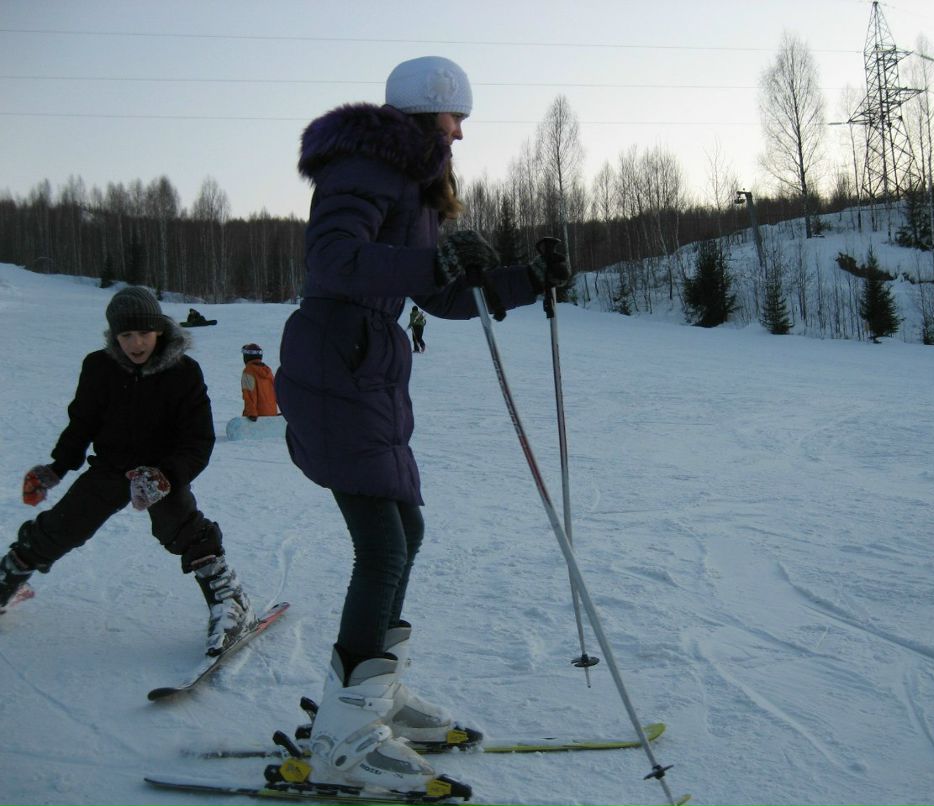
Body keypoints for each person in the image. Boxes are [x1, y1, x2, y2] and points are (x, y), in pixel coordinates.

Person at [275, 56, 570, 797]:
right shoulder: (369, 164)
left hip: (366, 369)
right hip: (337, 363)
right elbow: (335, 259)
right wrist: (431, 261)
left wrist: (523, 284)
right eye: (455, 119)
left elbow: (440, 295)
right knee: (381, 543)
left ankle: (375, 698)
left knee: (406, 534)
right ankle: (343, 738)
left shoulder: (411, 181)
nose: (461, 134)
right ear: (428, 113)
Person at [0, 286, 258, 656]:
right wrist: (56, 467)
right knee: (62, 525)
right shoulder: (99, 366)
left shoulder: (184, 372)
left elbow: (198, 440)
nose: (136, 344)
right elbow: (82, 423)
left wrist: (165, 476)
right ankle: (8, 574)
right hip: (111, 466)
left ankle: (229, 598)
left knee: (183, 528)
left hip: (161, 469)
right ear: (114, 336)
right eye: (125, 335)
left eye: (144, 333)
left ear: (160, 330)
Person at [240, 343, 279, 421]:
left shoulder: (248, 371)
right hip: (272, 415)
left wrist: (251, 413)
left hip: (257, 417)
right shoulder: (268, 371)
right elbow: (276, 392)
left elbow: (249, 393)